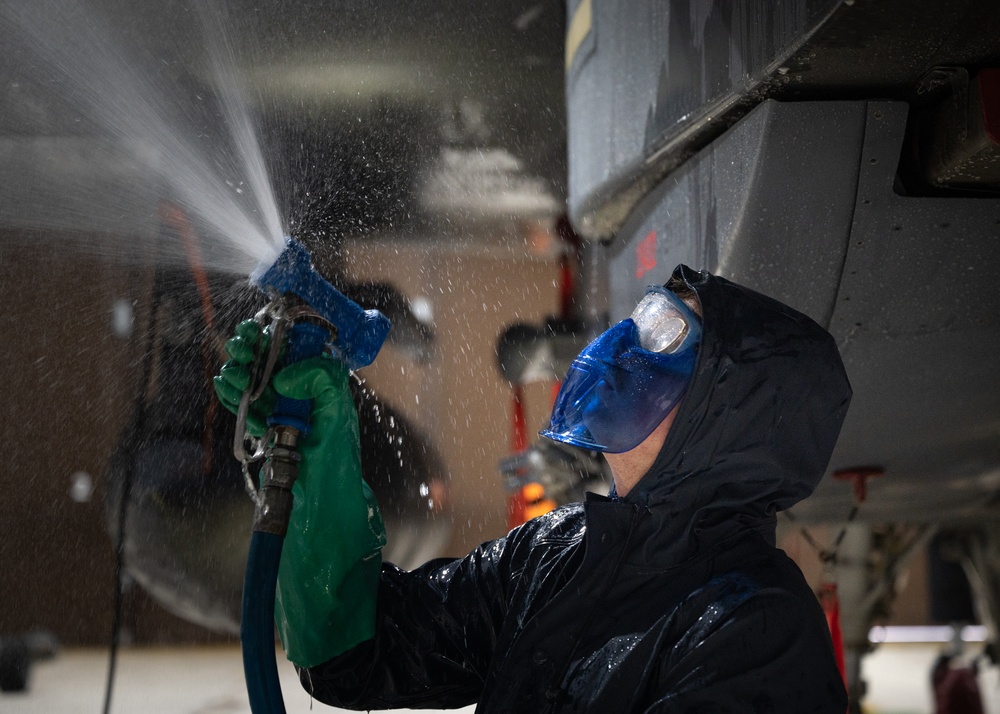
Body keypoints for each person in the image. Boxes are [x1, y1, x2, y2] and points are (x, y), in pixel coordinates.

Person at [216, 264, 852, 712]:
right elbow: (355, 653)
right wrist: (322, 449)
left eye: (667, 339)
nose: (627, 348)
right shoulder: (554, 556)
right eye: (644, 319)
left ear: (728, 417)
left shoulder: (759, 631)